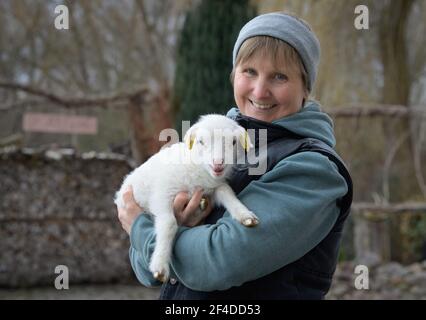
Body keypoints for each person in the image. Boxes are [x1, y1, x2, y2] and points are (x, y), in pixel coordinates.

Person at [117, 11, 352, 300]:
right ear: (234, 75)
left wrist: (140, 227)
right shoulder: (213, 145)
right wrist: (175, 222)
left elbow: (218, 262)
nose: (260, 90)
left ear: (305, 87)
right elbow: (147, 271)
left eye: (279, 76)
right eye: (249, 71)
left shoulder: (313, 169)